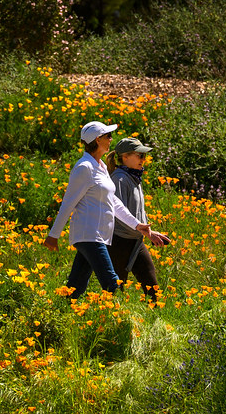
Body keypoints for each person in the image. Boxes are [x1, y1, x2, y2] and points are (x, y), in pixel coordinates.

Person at [43, 121, 160, 300]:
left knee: (76, 286)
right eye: (108, 136)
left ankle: (60, 315)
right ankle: (120, 323)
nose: (111, 139)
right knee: (111, 283)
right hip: (89, 235)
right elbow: (68, 203)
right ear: (98, 140)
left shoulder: (101, 167)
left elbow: (114, 202)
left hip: (97, 235)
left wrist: (137, 225)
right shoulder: (84, 168)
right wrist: (53, 236)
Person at [106, 137, 171, 302]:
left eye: (144, 156)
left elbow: (136, 212)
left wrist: (149, 231)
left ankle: (156, 322)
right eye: (139, 155)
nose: (144, 159)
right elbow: (118, 214)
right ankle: (113, 323)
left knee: (152, 286)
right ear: (125, 157)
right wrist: (145, 232)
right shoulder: (119, 179)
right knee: (115, 291)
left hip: (135, 241)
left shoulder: (133, 177)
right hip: (119, 242)